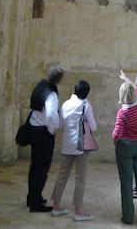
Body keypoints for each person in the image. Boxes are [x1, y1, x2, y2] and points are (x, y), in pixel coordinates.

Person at [51, 80, 97, 221]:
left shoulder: (65, 104)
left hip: (66, 145)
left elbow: (60, 124)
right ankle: (78, 210)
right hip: (81, 146)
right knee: (80, 177)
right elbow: (93, 127)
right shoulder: (85, 105)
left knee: (62, 175)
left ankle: (56, 206)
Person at [113, 82, 137, 225]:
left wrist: (115, 141)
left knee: (126, 183)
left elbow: (116, 134)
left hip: (126, 148)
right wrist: (127, 79)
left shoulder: (122, 113)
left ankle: (128, 218)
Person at [27, 66, 64, 212]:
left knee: (35, 166)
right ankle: (35, 203)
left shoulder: (41, 85)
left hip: (33, 128)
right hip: (43, 133)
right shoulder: (52, 94)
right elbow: (50, 115)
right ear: (58, 79)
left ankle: (32, 197)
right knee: (42, 168)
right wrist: (52, 130)